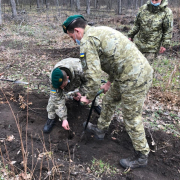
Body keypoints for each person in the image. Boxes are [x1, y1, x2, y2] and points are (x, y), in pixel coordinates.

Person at [62, 15, 153, 169]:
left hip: (134, 77)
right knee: (110, 100)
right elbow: (116, 58)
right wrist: (109, 82)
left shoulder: (87, 42)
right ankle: (101, 129)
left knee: (131, 116)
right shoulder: (101, 31)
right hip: (128, 72)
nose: (73, 40)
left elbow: (93, 75)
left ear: (77, 31)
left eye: (72, 36)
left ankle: (141, 155)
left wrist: (88, 97)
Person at [43, 58, 87, 133]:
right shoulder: (54, 78)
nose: (61, 88)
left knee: (90, 94)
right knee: (53, 99)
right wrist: (64, 119)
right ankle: (51, 118)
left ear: (67, 78)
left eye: (63, 86)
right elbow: (57, 99)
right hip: (68, 81)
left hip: (76, 78)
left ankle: (96, 106)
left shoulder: (81, 69)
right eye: (60, 87)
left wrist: (81, 92)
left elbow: (89, 82)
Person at [128, 0, 173, 65]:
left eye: (156, 0)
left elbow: (167, 30)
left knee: (146, 69)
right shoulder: (143, 8)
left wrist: (165, 44)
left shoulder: (166, 12)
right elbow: (137, 25)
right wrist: (131, 35)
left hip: (152, 48)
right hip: (138, 44)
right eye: (153, 0)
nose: (154, 2)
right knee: (134, 66)